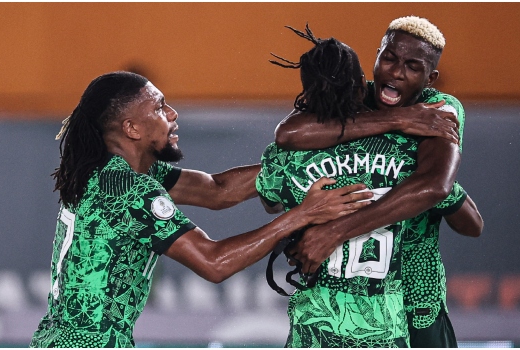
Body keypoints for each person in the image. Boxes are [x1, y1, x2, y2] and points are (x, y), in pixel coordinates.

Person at [29, 71, 373, 348]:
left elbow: (217, 191)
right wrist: (303, 214)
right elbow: (214, 262)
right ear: (131, 129)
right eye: (160, 108)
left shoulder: (113, 172)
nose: (173, 115)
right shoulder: (131, 189)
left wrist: (304, 162)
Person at [272, 17, 484, 347]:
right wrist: (400, 119)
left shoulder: (439, 109)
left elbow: (433, 187)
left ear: (431, 77)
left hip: (414, 293)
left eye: (413, 66)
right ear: (377, 55)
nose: (396, 72)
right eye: (389, 58)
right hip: (342, 299)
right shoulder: (351, 96)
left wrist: (332, 232)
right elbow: (289, 133)